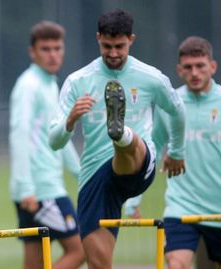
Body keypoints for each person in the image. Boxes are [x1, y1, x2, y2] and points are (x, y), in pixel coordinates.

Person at [48, 8, 186, 268]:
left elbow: (177, 111)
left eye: (119, 46)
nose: (113, 53)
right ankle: (120, 134)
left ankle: (121, 133)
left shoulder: (151, 78)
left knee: (127, 149)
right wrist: (70, 120)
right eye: (107, 46)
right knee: (98, 264)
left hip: (139, 166)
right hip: (94, 178)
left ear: (131, 40)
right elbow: (54, 142)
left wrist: (177, 150)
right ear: (98, 38)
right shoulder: (78, 81)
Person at [9, 21, 85, 269]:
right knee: (81, 249)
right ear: (33, 51)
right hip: (42, 190)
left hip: (35, 190)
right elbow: (19, 134)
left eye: (57, 48)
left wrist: (83, 176)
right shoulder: (29, 85)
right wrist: (26, 186)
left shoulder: (50, 84)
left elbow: (60, 139)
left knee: (35, 263)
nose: (53, 55)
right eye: (45, 49)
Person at [152, 36, 221, 269]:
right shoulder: (170, 103)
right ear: (179, 70)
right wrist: (133, 200)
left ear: (212, 66)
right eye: (188, 67)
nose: (194, 73)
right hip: (182, 205)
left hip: (219, 209)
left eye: (200, 66)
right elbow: (153, 146)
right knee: (176, 263)